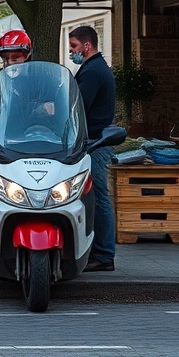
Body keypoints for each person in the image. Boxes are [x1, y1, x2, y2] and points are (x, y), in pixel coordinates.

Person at [68, 24, 118, 272]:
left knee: (98, 198)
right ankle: (98, 251)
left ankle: (104, 254)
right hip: (94, 142)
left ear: (87, 45)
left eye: (74, 46)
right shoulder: (94, 68)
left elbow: (77, 106)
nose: (71, 52)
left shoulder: (93, 72)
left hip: (95, 143)